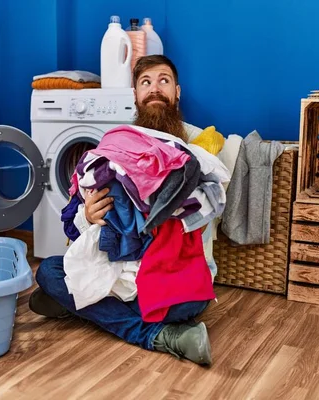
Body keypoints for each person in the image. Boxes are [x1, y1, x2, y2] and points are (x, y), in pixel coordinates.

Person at [29, 55, 217, 365]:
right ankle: (159, 335)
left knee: (188, 304)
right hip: (117, 271)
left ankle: (78, 305)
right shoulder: (116, 146)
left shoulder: (196, 147)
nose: (154, 89)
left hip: (176, 277)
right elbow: (82, 227)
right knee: (48, 269)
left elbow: (205, 211)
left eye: (163, 81)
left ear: (177, 91)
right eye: (146, 82)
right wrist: (87, 215)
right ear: (135, 95)